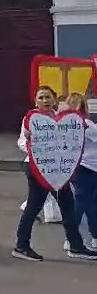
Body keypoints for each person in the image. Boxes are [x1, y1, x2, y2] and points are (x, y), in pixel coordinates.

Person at [13, 86, 97, 261]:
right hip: (38, 169)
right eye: (41, 97)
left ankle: (76, 246)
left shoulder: (61, 118)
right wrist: (30, 140)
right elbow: (21, 142)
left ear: (54, 99)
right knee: (33, 207)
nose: (45, 101)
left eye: (48, 97)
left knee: (68, 207)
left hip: (59, 170)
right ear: (35, 101)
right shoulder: (32, 119)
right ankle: (21, 246)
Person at [63, 93, 97, 251]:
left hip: (78, 167)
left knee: (91, 205)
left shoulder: (67, 125)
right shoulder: (88, 125)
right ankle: (71, 239)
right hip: (88, 168)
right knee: (81, 204)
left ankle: (94, 236)